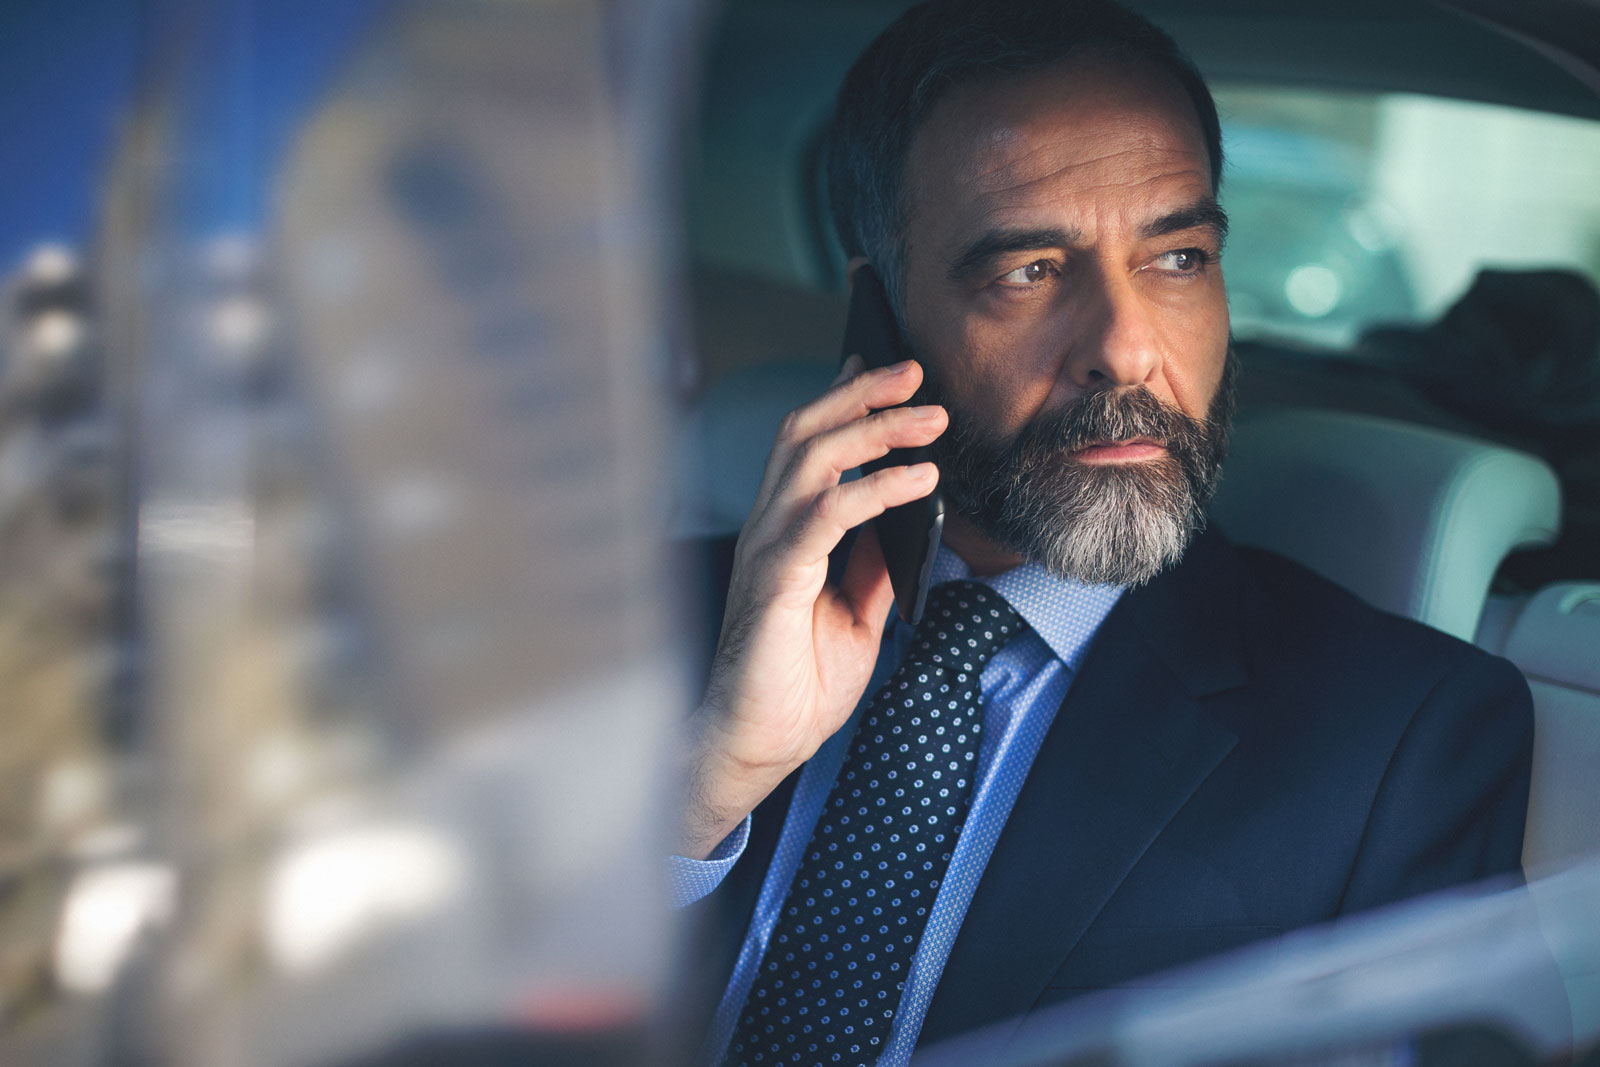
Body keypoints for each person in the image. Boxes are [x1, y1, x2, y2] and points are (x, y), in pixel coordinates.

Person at [671, 1, 1534, 1063]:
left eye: (1177, 258)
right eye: (1027, 272)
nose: (1125, 349)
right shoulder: (630, 627)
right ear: (879, 320)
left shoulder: (1402, 737)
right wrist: (700, 791)